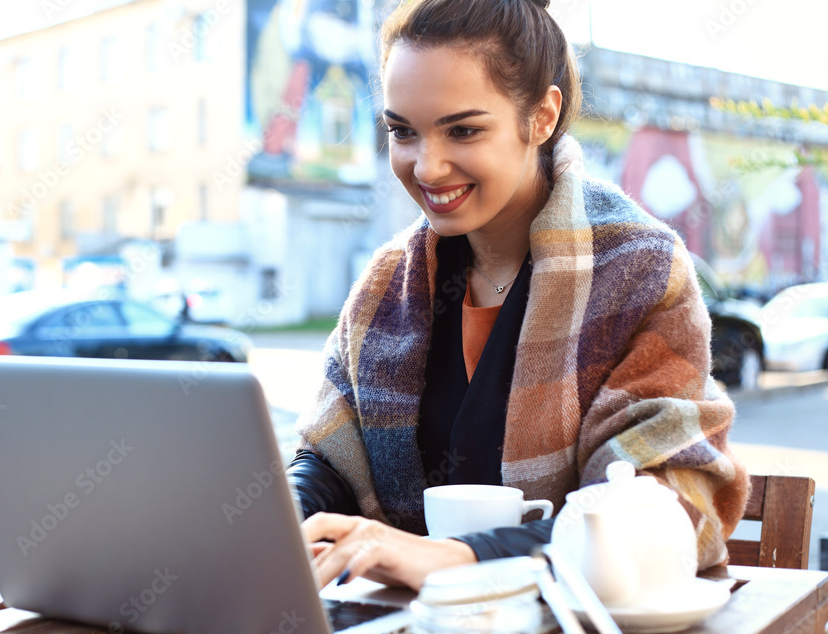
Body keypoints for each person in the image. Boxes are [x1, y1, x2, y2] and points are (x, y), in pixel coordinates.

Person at [286, 0, 750, 591]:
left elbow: (667, 508)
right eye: (402, 130)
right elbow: (329, 460)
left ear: (541, 117)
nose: (426, 166)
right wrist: (285, 523)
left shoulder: (640, 269)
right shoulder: (388, 282)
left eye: (463, 130)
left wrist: (461, 558)